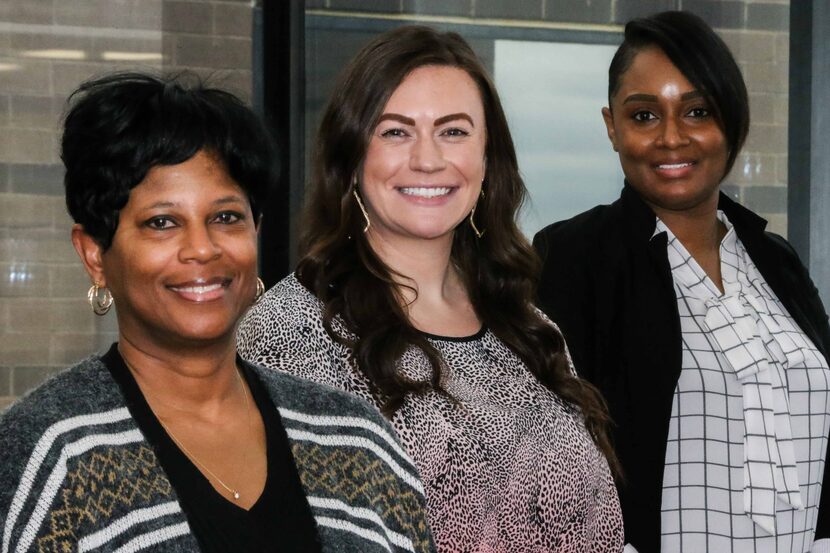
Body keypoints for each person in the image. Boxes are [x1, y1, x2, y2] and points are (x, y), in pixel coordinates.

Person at [0, 73, 434, 553]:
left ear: (256, 231)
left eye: (226, 218)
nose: (202, 250)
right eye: (162, 223)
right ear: (95, 255)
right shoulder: (49, 452)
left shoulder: (355, 439)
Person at [238, 25, 623, 552]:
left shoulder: (529, 325)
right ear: (351, 158)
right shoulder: (292, 330)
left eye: (454, 131)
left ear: (487, 160)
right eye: (395, 131)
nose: (428, 159)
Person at [533, 11, 830, 553]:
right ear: (611, 126)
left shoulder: (777, 260)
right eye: (644, 115)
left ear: (732, 122)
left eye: (697, 112)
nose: (671, 138)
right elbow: (545, 451)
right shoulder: (573, 257)